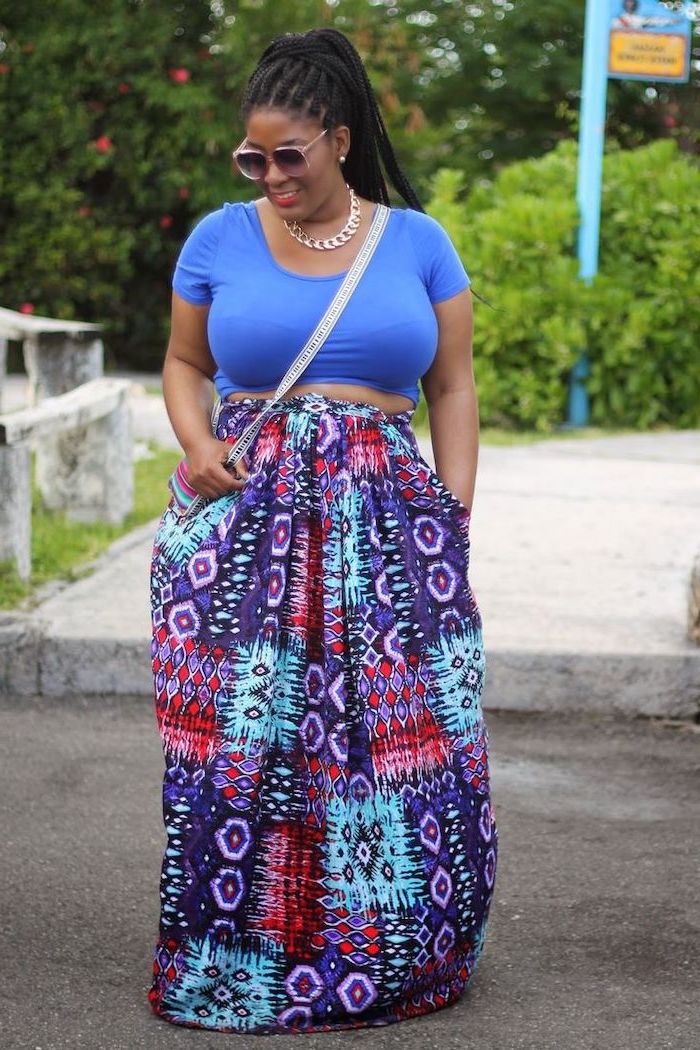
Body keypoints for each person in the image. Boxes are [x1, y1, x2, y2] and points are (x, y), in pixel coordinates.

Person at [148, 26, 498, 1034]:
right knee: (241, 742)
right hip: (243, 520)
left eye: (286, 155)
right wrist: (193, 439)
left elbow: (452, 384)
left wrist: (453, 505)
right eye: (249, 158)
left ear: (339, 139)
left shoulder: (419, 243)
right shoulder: (217, 236)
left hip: (390, 522)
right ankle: (247, 949)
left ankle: (390, 954)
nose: (267, 175)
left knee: (399, 739)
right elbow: (182, 362)